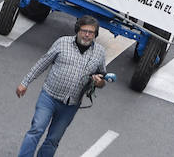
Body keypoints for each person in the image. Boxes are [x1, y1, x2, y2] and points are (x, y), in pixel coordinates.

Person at [15, 16, 108, 157]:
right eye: (84, 31)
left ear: (96, 34)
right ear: (77, 30)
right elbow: (43, 63)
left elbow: (102, 78)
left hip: (71, 105)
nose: (87, 35)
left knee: (53, 140)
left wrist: (99, 82)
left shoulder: (100, 53)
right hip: (49, 98)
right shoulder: (62, 43)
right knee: (36, 129)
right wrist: (25, 82)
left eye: (92, 32)